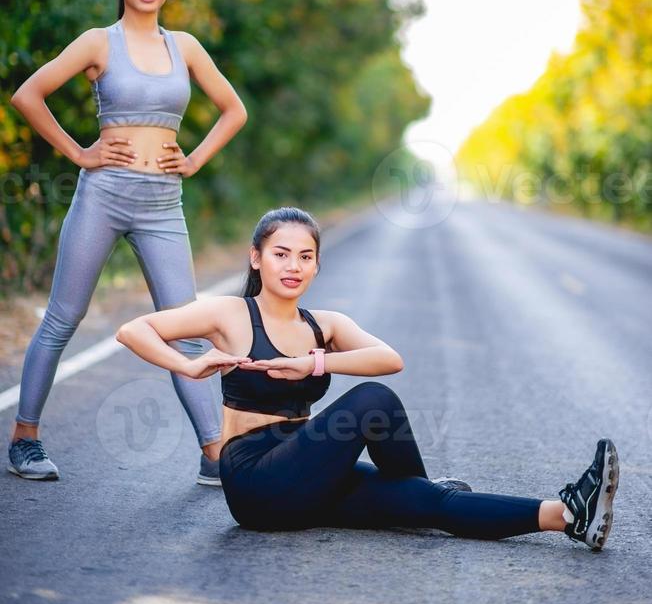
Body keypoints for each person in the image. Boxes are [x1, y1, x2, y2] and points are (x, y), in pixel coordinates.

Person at [115, 206, 619, 550]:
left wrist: (315, 363)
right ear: (257, 258)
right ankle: (423, 486)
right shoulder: (229, 313)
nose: (293, 265)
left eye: (305, 256)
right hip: (256, 479)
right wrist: (188, 364)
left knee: (431, 503)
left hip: (310, 469)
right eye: (281, 253)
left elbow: (389, 356)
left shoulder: (323, 325)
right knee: (371, 401)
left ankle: (568, 516)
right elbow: (133, 329)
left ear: (316, 265)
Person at [7, 0, 247, 485]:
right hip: (105, 195)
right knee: (63, 318)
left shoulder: (183, 46)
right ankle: (25, 438)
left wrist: (196, 160)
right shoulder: (99, 43)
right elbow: (27, 95)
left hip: (164, 205)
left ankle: (215, 455)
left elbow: (233, 111)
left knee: (186, 331)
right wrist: (81, 153)